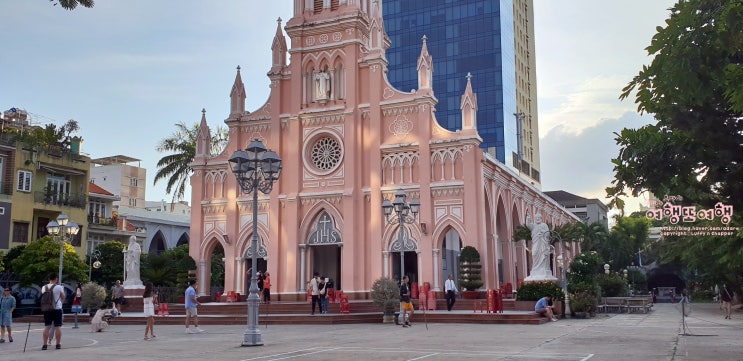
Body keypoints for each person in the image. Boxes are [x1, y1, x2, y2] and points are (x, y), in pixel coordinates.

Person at [42, 273, 65, 350]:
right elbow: (63, 297)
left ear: (49, 279)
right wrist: (60, 303)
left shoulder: (44, 287)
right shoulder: (59, 287)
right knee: (57, 326)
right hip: (57, 309)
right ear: (56, 279)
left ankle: (44, 345)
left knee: (47, 327)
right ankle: (58, 344)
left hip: (47, 309)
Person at [526, 213, 552, 277]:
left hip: (542, 244)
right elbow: (528, 225)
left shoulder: (544, 225)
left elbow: (548, 233)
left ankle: (543, 268)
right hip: (536, 242)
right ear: (535, 219)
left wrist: (542, 232)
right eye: (536, 218)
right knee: (534, 254)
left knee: (543, 255)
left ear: (541, 218)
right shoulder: (533, 225)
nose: (537, 219)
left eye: (539, 217)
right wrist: (528, 219)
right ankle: (535, 268)